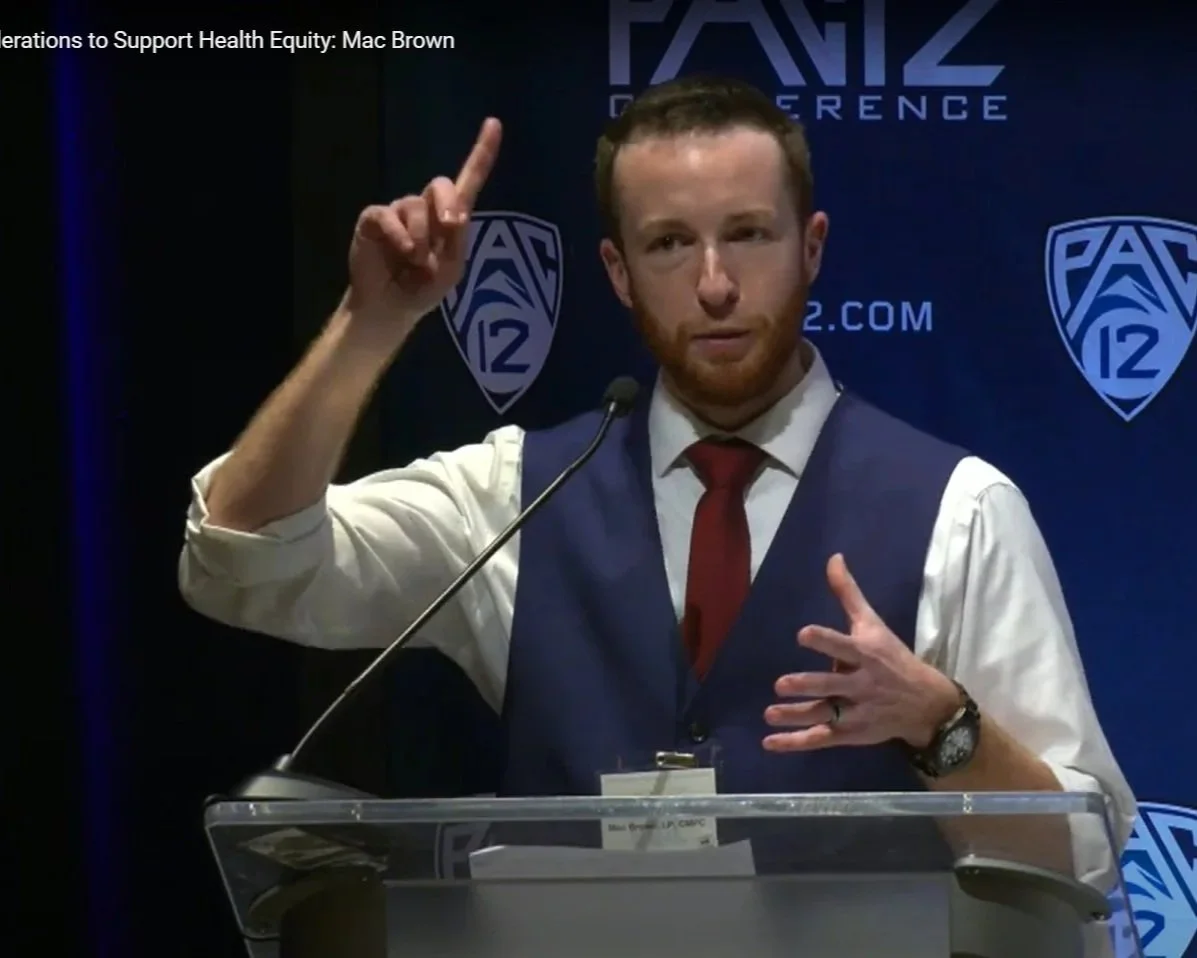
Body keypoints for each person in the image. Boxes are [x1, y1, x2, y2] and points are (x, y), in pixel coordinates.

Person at [179, 76, 1134, 884]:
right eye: (670, 244)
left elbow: (1079, 859)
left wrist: (942, 727)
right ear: (618, 271)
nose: (714, 283)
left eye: (750, 234)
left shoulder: (958, 511)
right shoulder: (516, 495)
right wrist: (368, 324)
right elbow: (244, 565)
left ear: (812, 248)